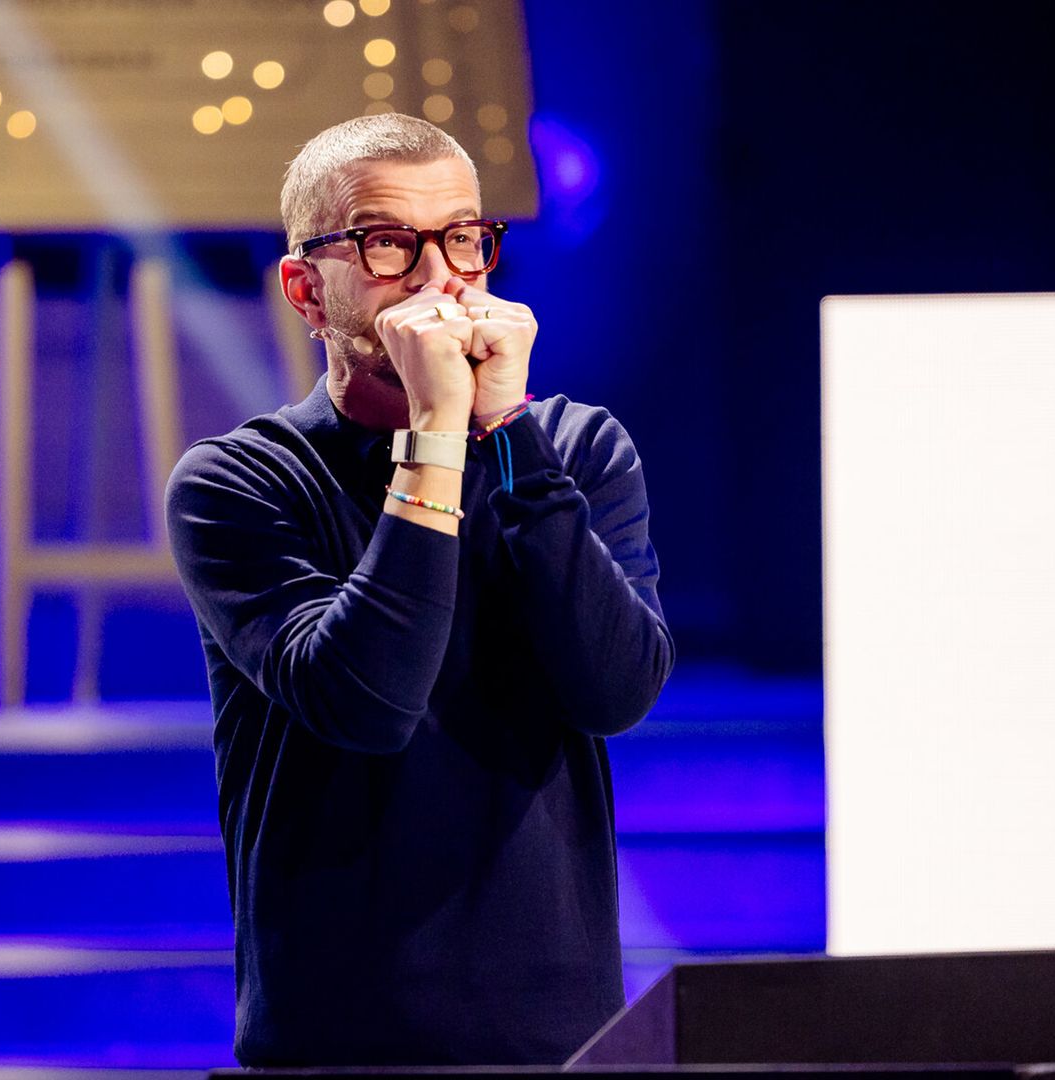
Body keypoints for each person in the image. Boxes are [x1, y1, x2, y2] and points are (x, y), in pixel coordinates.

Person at [164, 113, 674, 1067]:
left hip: (561, 1038)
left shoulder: (575, 449)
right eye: (390, 243)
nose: (442, 278)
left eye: (464, 238)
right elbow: (366, 699)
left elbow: (616, 691)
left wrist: (506, 429)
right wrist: (436, 434)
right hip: (339, 1039)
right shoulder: (241, 481)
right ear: (306, 290)